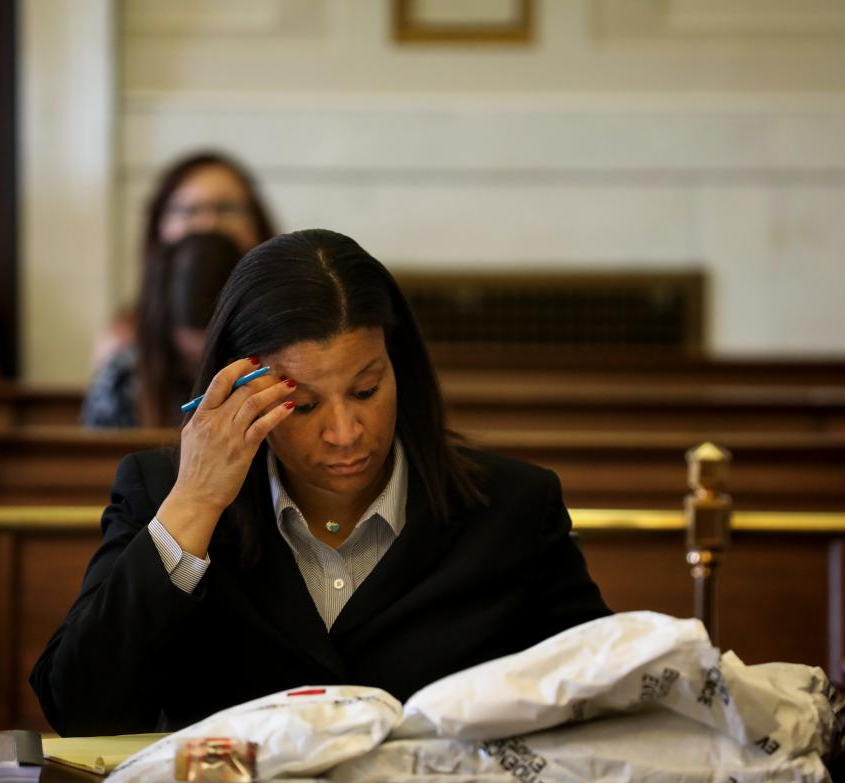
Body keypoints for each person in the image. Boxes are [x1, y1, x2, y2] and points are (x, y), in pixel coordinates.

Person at [32, 229, 610, 735]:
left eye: (365, 391)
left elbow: (606, 693)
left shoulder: (513, 507)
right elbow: (83, 712)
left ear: (399, 369)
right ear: (240, 391)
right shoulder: (165, 494)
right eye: (303, 405)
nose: (344, 432)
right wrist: (198, 502)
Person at [89, 151, 275, 371]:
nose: (208, 223)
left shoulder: (289, 330)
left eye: (226, 208)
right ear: (159, 227)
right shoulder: (123, 344)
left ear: (257, 224)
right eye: (188, 210)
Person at [81, 231, 242, 428]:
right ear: (164, 325)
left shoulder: (260, 369)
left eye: (215, 345)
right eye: (190, 353)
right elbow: (94, 453)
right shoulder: (123, 377)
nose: (203, 359)